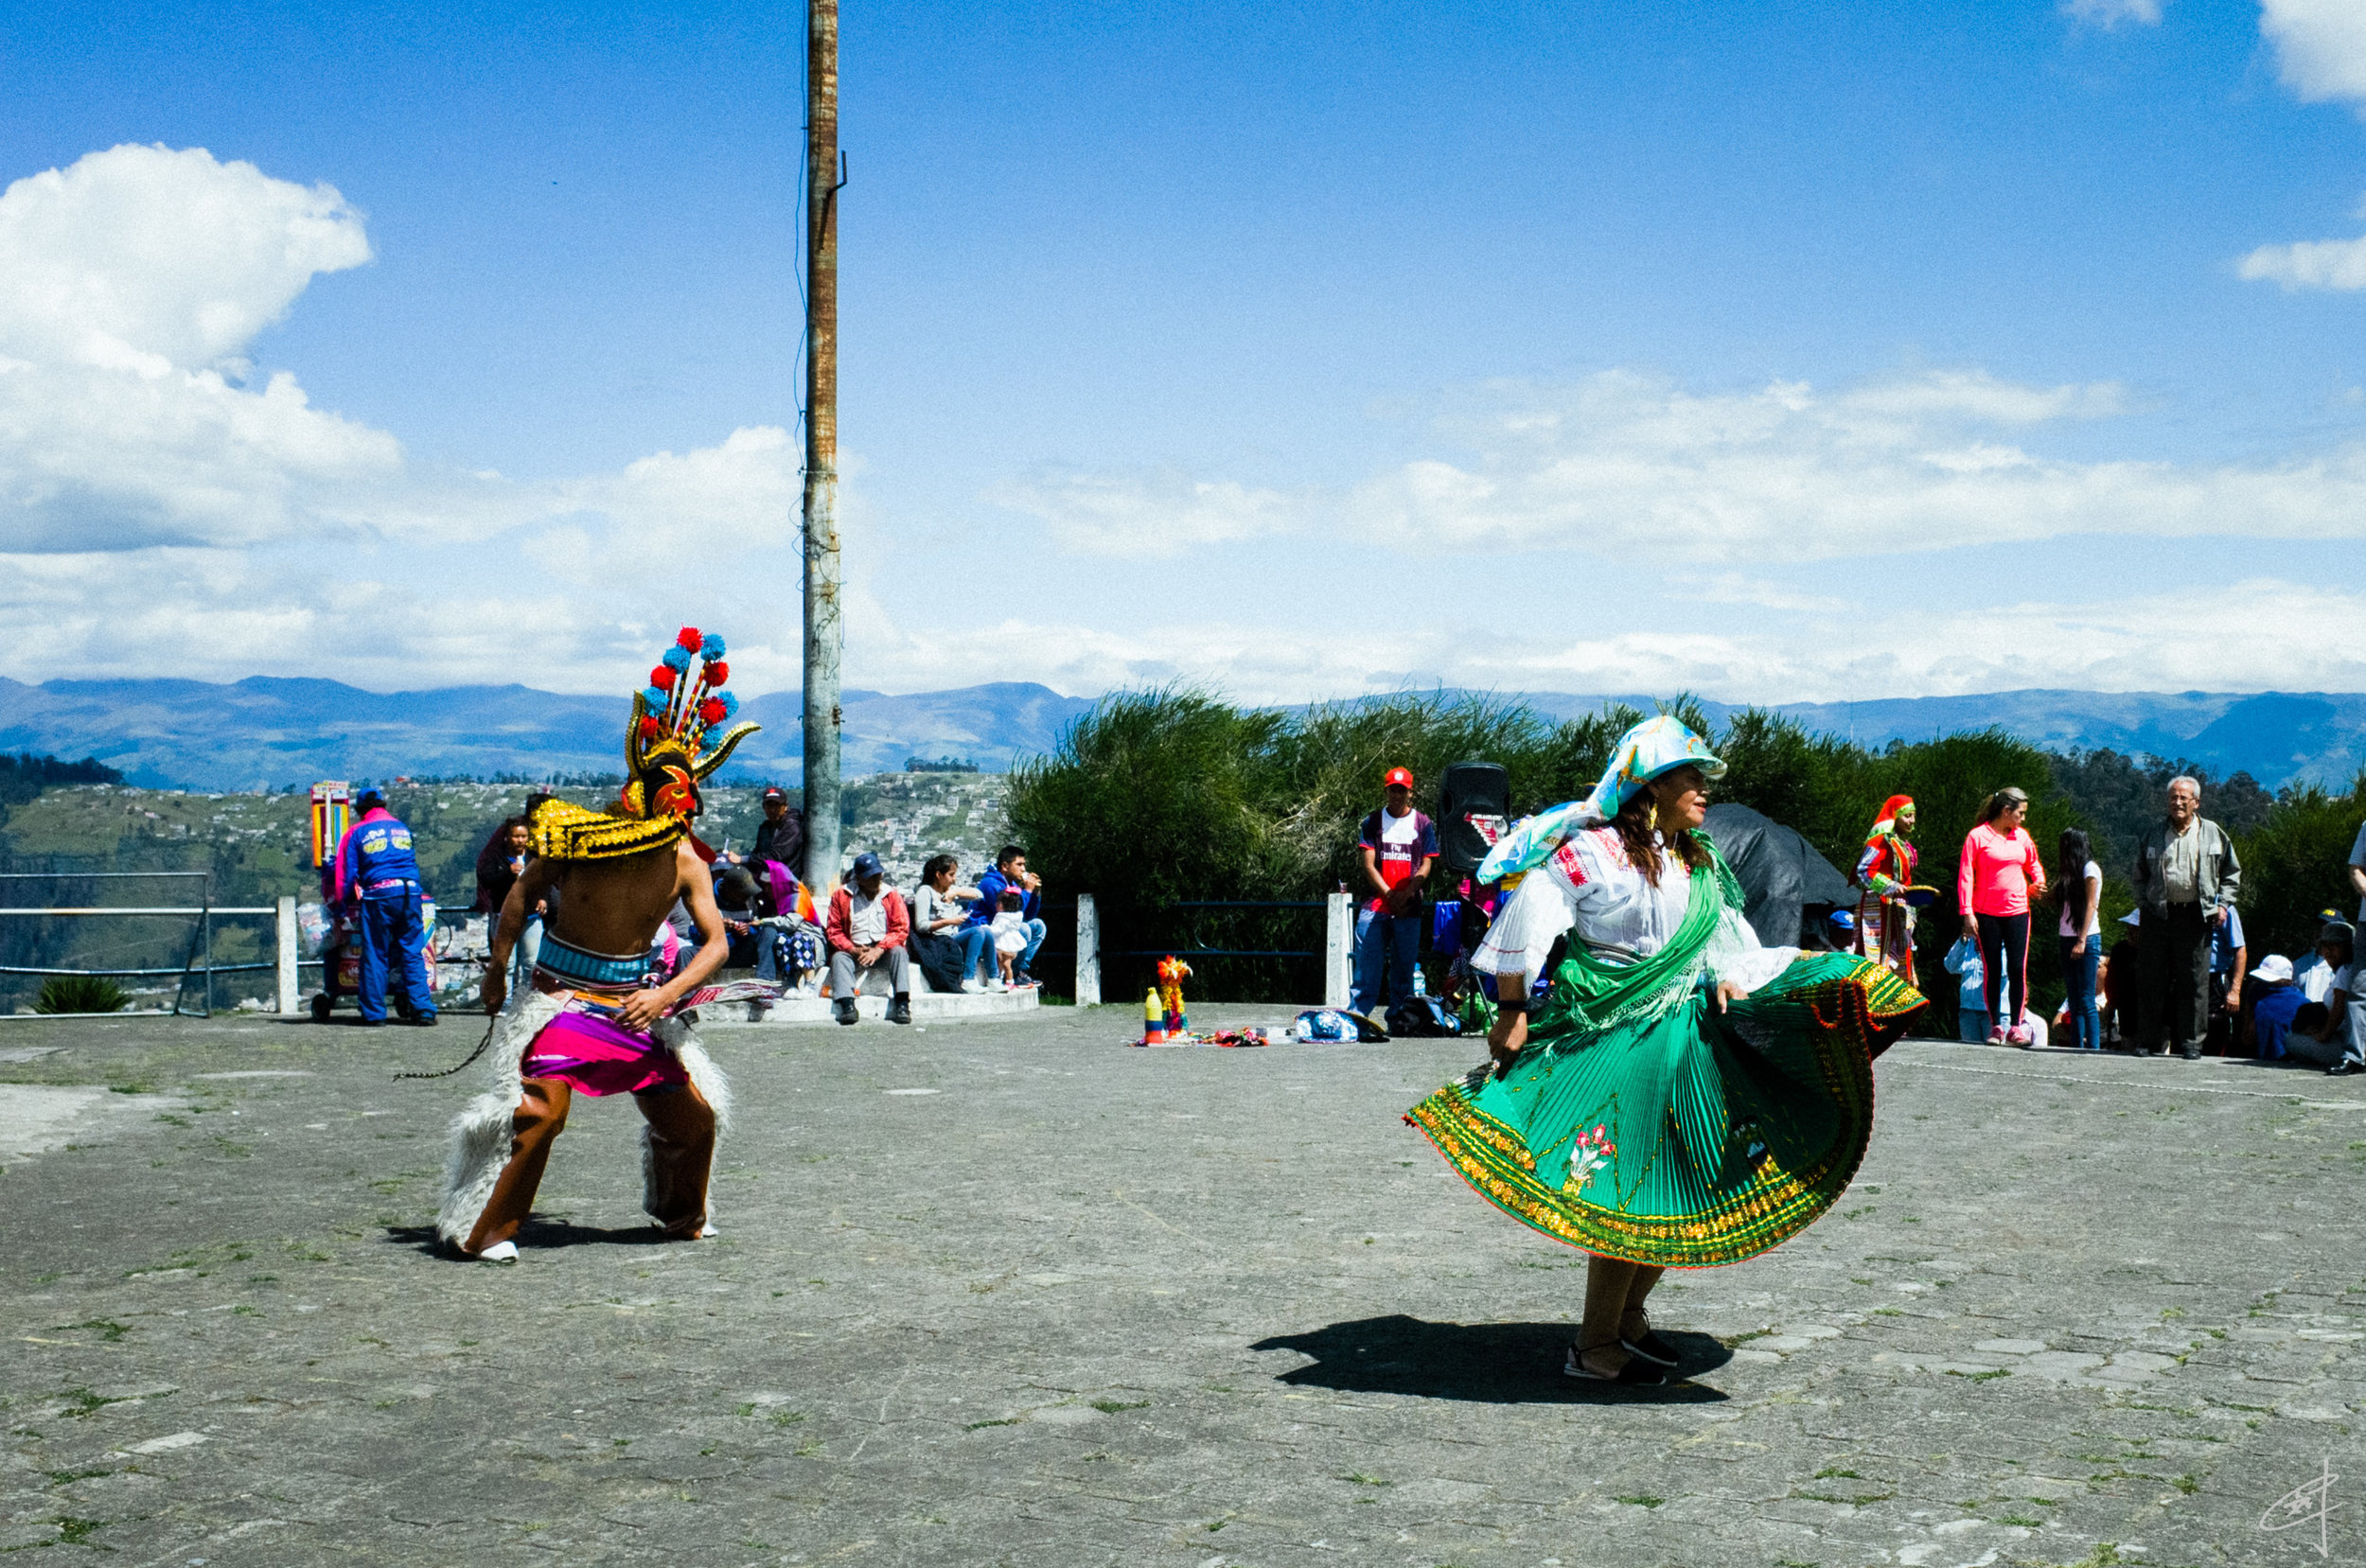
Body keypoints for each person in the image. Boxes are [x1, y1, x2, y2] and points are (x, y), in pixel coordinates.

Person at [1405, 716, 1927, 1386]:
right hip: (1618, 1038)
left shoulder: (1697, 859)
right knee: (1636, 1189)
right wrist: (1511, 1009)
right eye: (1690, 776)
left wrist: (1736, 974)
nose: (1703, 789)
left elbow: (1725, 938)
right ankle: (1593, 1345)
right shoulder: (1592, 852)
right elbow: (1531, 910)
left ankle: (1627, 1315)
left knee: (1686, 1181)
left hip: (1685, 1035)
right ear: (1649, 787)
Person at [434, 626, 760, 1261]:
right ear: (640, 781)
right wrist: (498, 970)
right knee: (539, 1112)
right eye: (666, 785)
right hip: (561, 1001)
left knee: (693, 1118)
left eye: (685, 790)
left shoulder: (688, 860)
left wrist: (664, 993)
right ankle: (483, 1228)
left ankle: (681, 1214)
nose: (677, 798)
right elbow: (519, 896)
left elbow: (716, 943)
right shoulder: (582, 837)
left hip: (636, 1008)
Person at [2129, 775, 2242, 1060]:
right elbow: (2139, 874)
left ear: (2196, 802)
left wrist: (2223, 905)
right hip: (2158, 914)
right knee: (2151, 979)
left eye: (2183, 798)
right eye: (2173, 798)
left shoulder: (2213, 833)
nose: (2177, 802)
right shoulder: (2154, 834)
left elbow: (2232, 873)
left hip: (2195, 916)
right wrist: (2144, 904)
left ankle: (2192, 1042)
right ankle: (2149, 1040)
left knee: (2194, 980)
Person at [337, 786, 436, 1028]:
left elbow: (345, 876)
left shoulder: (356, 832)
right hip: (410, 892)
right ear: (383, 805)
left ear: (360, 809)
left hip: (379, 895)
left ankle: (374, 1013)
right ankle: (423, 1009)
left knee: (375, 953)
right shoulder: (402, 827)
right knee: (412, 951)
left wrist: (343, 907)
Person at [1956, 787, 2047, 1046]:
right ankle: (1996, 1026)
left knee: (2017, 968)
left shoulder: (2022, 837)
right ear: (2006, 812)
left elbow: (2033, 864)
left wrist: (2037, 882)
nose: (2023, 818)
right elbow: (1966, 875)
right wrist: (1967, 913)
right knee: (1993, 969)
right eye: (2020, 813)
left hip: (2018, 911)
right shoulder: (1978, 837)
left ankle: (2016, 1027)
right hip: (1986, 913)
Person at [1351, 766, 1439, 1020]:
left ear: (1410, 792)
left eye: (1402, 790)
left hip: (1409, 906)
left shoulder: (1423, 823)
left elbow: (1427, 862)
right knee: (1367, 966)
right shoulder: (1372, 821)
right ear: (1386, 790)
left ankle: (1400, 1019)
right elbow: (1368, 863)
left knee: (1403, 968)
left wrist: (1409, 891)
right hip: (1376, 904)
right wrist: (1389, 893)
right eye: (1393, 789)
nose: (1397, 795)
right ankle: (1358, 1016)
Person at [826, 851, 912, 1025]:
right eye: (870, 877)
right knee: (839, 958)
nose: (876, 880)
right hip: (855, 947)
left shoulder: (891, 895)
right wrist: (852, 949)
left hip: (882, 947)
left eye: (877, 875)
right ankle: (847, 1005)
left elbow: (901, 928)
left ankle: (902, 1003)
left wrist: (880, 949)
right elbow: (833, 930)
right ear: (859, 879)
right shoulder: (842, 896)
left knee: (899, 953)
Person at [1852, 794, 1920, 978]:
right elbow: (1864, 870)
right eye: (1907, 816)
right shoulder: (1880, 840)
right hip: (1879, 905)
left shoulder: (1904, 844)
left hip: (1898, 907)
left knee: (1900, 956)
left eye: (1914, 816)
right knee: (1875, 957)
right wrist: (1890, 886)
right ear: (1895, 816)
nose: (1912, 821)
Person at [909, 854, 988, 994]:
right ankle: (968, 978)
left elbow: (980, 895)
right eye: (951, 875)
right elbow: (921, 925)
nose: (954, 879)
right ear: (939, 875)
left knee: (986, 932)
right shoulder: (925, 892)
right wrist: (950, 921)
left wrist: (956, 892)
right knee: (978, 932)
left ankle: (995, 977)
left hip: (952, 938)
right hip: (939, 940)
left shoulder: (948, 892)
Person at [2056, 827, 2104, 1051]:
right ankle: (2077, 1046)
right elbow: (2053, 900)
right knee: (2073, 1000)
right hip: (2066, 937)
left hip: (2086, 938)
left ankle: (2093, 1048)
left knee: (2086, 999)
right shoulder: (2068, 875)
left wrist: (2082, 940)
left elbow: (2091, 904)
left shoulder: (2089, 869)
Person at [970, 845, 1046, 985]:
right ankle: (1013, 973)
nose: (1023, 869)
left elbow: (1028, 915)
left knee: (1038, 926)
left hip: (1005, 928)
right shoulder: (991, 884)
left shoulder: (1012, 885)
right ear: (1005, 866)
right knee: (1024, 929)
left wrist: (1036, 894)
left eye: (1024, 865)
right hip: (990, 930)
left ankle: (1020, 969)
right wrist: (1027, 891)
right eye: (1019, 864)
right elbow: (1011, 912)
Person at [2308, 923, 2362, 1076]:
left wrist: (2322, 1035)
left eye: (2336, 945)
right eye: (2325, 945)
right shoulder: (2350, 970)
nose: (2328, 951)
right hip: (2352, 1041)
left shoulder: (2346, 971)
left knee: (2291, 1040)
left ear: (2348, 947)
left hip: (2353, 1047)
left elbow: (2338, 1010)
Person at [2206, 904, 2249, 1057]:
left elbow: (2240, 950)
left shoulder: (2225, 907)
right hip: (2189, 978)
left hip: (2215, 977)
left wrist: (2235, 991)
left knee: (2214, 1034)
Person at [2247, 954, 2303, 1061]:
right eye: (2260, 981)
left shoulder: (2263, 1003)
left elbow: (2248, 1038)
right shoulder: (2258, 997)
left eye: (2269, 982)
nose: (2262, 985)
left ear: (2285, 981)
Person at [1943, 932, 1988, 1043]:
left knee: (1996, 1055)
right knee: (1970, 1055)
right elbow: (1950, 966)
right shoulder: (1967, 944)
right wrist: (1962, 942)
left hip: (1991, 1013)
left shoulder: (1999, 945)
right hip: (1968, 1011)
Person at [991, 888, 1030, 987]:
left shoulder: (1002, 917)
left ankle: (1008, 981)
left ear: (1002, 905)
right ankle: (999, 980)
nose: (995, 905)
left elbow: (997, 930)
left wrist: (987, 929)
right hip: (1011, 943)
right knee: (1003, 964)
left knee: (1005, 964)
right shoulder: (1016, 916)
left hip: (1004, 943)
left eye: (998, 903)